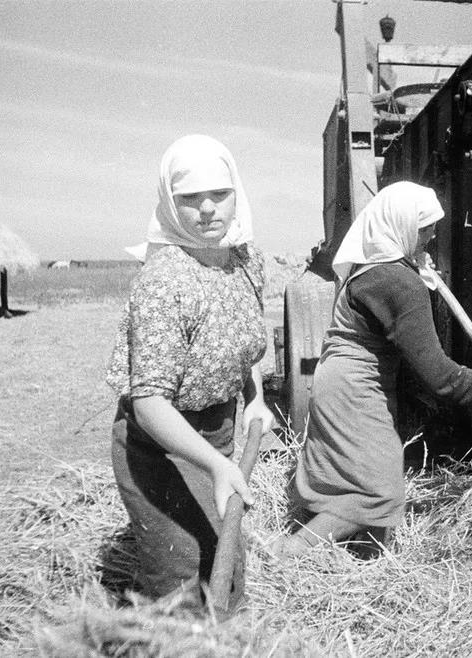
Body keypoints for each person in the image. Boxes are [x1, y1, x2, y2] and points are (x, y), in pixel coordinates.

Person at [271, 181, 472, 558]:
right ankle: (290, 551)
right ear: (401, 226)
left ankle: (365, 559)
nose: (433, 234)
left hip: (345, 382)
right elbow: (438, 376)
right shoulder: (397, 281)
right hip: (355, 390)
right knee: (379, 492)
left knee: (371, 476)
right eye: (424, 228)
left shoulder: (376, 266)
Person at [105, 134, 275, 608]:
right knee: (184, 585)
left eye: (218, 193)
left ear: (236, 192)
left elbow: (245, 338)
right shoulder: (164, 281)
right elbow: (150, 403)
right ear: (169, 201)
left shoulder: (245, 260)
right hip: (160, 448)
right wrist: (218, 466)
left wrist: (254, 397)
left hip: (215, 438)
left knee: (228, 574)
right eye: (189, 197)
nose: (206, 208)